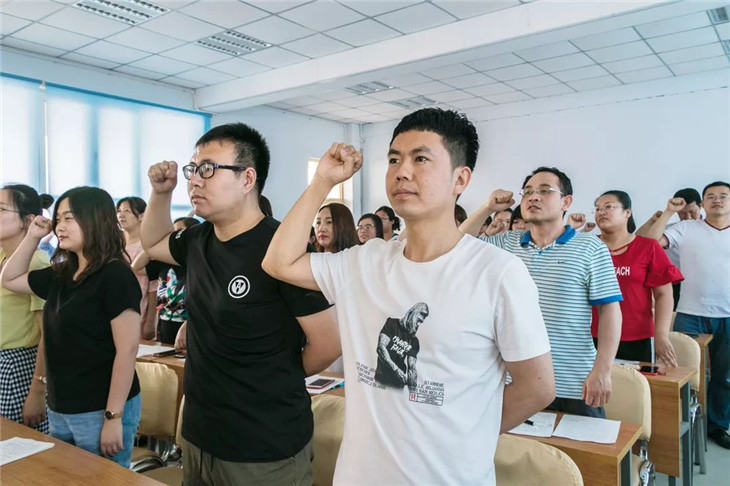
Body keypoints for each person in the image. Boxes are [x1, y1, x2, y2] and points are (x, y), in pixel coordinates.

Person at [263, 108, 554, 485]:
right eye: (394, 159)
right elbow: (279, 262)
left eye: (421, 159)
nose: (402, 171)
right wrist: (322, 181)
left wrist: (468, 429)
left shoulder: (497, 273)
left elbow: (537, 387)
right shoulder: (364, 261)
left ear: (460, 179)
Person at [140, 122, 340, 485]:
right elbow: (153, 243)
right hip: (200, 437)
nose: (194, 180)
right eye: (193, 169)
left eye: (208, 169)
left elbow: (328, 344)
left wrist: (275, 376)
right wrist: (160, 193)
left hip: (262, 446)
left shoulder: (282, 248)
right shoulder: (198, 239)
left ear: (248, 178)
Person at [461, 167, 622, 418]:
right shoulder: (507, 243)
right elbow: (458, 245)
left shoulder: (590, 247)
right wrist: (487, 208)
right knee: (512, 445)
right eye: (527, 192)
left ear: (566, 202)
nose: (533, 197)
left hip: (573, 384)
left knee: (579, 445)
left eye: (545, 191)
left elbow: (610, 310)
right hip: (516, 385)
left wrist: (602, 370)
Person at [0, 186, 142, 467]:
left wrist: (113, 417)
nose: (60, 227)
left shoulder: (115, 274)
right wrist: (33, 236)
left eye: (69, 218)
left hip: (99, 407)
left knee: (101, 480)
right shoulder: (62, 272)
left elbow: (127, 351)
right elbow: (9, 279)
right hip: (62, 405)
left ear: (95, 219)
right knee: (65, 478)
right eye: (58, 219)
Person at [636, 181, 730, 449]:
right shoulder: (687, 228)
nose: (717, 200)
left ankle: (717, 425)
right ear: (703, 203)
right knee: (678, 374)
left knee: (724, 377)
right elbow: (648, 243)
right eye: (710, 196)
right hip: (690, 313)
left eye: (723, 196)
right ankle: (678, 426)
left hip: (728, 315)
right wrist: (667, 212)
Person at [590, 190, 682, 365]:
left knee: (636, 382)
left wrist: (661, 335)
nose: (601, 212)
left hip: (636, 337)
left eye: (608, 207)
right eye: (597, 209)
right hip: (592, 335)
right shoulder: (587, 247)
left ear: (627, 212)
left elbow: (664, 295)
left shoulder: (648, 247)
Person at [0, 185, 53, 434]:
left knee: (15, 441)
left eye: (1, 209)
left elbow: (48, 333)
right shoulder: (3, 255)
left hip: (18, 367)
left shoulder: (37, 262)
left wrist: (38, 390)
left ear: (28, 221)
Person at [637, 187, 703, 310]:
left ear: (701, 206)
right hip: (674, 283)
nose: (688, 217)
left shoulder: (710, 229)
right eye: (682, 213)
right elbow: (639, 242)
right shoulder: (670, 230)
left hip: (700, 282)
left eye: (692, 212)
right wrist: (653, 221)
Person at [151, 217, 199, 345]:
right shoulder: (165, 263)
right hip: (164, 325)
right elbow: (136, 267)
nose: (174, 235)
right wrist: (157, 245)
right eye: (171, 232)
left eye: (178, 231)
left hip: (190, 328)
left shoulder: (199, 264)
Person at [117, 197, 157, 339]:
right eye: (119, 211)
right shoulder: (114, 244)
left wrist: (150, 321)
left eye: (127, 211)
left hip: (139, 309)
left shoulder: (148, 245)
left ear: (141, 216)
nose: (121, 215)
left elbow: (154, 286)